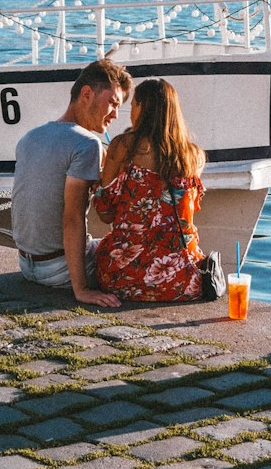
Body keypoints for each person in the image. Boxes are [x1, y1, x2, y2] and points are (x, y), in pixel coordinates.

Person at [11, 58, 132, 307]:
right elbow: (72, 218)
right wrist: (82, 290)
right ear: (86, 94)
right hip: (58, 270)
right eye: (112, 103)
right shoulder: (87, 144)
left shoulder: (29, 138)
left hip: (26, 265)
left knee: (102, 244)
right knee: (134, 250)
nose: (115, 115)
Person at [93, 78, 208, 302]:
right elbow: (187, 215)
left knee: (95, 248)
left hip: (123, 277)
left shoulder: (123, 146)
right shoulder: (194, 157)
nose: (130, 113)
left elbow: (105, 213)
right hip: (181, 281)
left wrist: (100, 182)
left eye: (133, 105)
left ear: (142, 107)